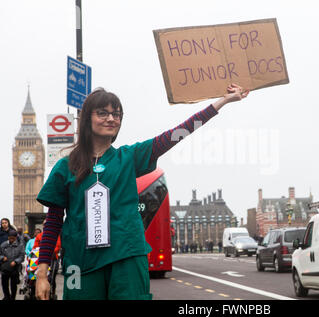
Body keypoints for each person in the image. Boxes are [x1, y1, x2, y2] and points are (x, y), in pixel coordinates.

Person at [35, 84, 249, 300]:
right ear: (86, 120)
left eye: (116, 114)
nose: (111, 118)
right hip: (80, 264)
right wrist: (42, 273)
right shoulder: (65, 167)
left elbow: (178, 133)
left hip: (126, 257)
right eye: (102, 113)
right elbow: (53, 221)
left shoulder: (129, 157)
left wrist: (223, 101)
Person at [0, 230, 25, 300]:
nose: (11, 240)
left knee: (13, 285)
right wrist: (2, 258)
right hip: (5, 267)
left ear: (16, 238)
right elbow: (0, 254)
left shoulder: (20, 245)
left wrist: (16, 261)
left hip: (14, 268)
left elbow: (22, 256)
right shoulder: (3, 245)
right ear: (8, 237)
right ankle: (6, 296)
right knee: (4, 284)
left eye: (13, 238)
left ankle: (12, 297)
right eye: (10, 238)